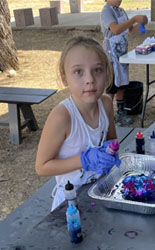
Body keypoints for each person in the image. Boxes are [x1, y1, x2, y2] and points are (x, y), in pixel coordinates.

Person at [35, 36, 121, 211]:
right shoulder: (62, 116)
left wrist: (110, 151)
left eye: (97, 70)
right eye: (78, 72)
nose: (90, 79)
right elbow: (42, 167)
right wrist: (84, 160)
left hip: (100, 191)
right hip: (69, 202)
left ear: (107, 73)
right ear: (65, 79)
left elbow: (112, 139)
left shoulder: (105, 104)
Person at [100, 0, 148, 125]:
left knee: (122, 84)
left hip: (122, 54)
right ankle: (107, 117)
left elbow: (130, 30)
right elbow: (115, 29)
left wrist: (141, 22)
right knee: (111, 88)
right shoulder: (106, 11)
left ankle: (121, 113)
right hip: (111, 55)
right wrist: (133, 19)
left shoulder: (121, 11)